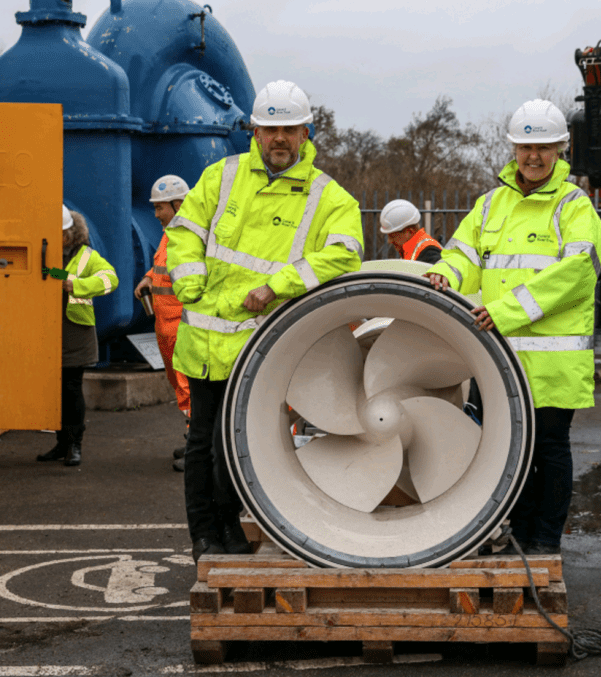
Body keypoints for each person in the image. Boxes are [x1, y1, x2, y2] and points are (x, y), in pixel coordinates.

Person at [166, 80, 365, 560]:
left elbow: (345, 255)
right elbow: (184, 232)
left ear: (307, 132)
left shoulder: (328, 198)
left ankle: (231, 525)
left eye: (289, 130)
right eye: (270, 128)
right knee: (201, 444)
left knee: (236, 446)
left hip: (262, 348)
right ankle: (206, 536)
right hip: (204, 341)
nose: (279, 138)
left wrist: (277, 286)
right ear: (254, 131)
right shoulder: (221, 177)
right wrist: (188, 283)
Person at [424, 99, 601, 555]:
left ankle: (544, 542)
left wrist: (506, 313)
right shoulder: (491, 205)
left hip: (550, 362)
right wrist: (444, 275)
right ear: (512, 148)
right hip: (499, 359)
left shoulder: (573, 205)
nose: (533, 156)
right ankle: (518, 537)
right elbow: (462, 253)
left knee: (547, 451)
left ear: (561, 149)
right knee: (508, 454)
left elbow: (578, 272)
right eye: (526, 146)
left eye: (544, 147)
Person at [37, 205, 119, 467]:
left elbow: (111, 279)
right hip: (49, 331)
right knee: (55, 391)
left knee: (72, 389)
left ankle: (74, 445)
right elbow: (56, 277)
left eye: (59, 232)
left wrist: (79, 286)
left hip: (76, 331)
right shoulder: (47, 253)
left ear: (69, 233)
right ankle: (62, 444)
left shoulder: (86, 255)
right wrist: (63, 278)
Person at [134, 175, 194, 472]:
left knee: (189, 387)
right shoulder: (171, 233)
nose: (156, 214)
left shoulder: (191, 235)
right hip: (166, 325)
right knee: (180, 387)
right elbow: (163, 263)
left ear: (178, 204)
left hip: (182, 327)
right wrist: (148, 277)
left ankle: (197, 446)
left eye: (160, 208)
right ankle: (192, 437)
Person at [379, 199, 442, 263]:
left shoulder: (429, 252)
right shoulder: (412, 251)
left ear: (410, 232)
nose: (389, 241)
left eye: (392, 236)